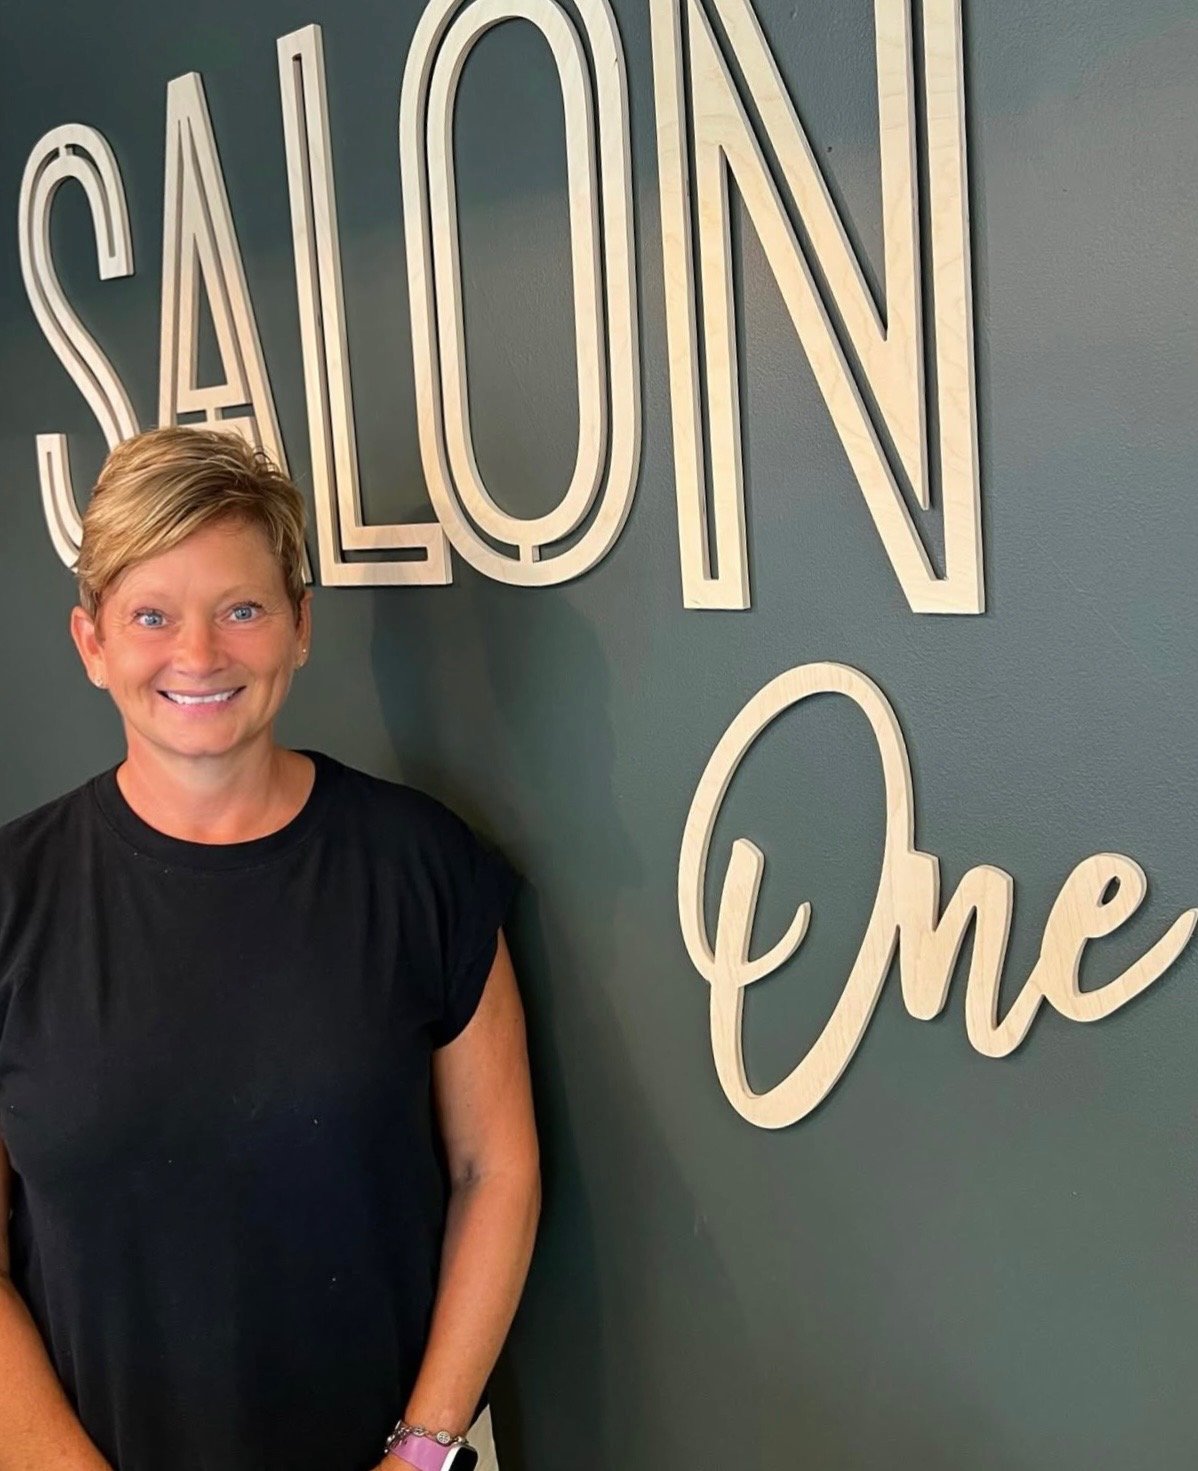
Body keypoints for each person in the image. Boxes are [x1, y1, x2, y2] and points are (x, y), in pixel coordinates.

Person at [0, 427, 541, 1471]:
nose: (198, 655)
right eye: (151, 615)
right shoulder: (15, 898)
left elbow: (495, 1167)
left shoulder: (420, 863)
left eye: (240, 609)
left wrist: (424, 1450)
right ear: (92, 643)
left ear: (299, 626)